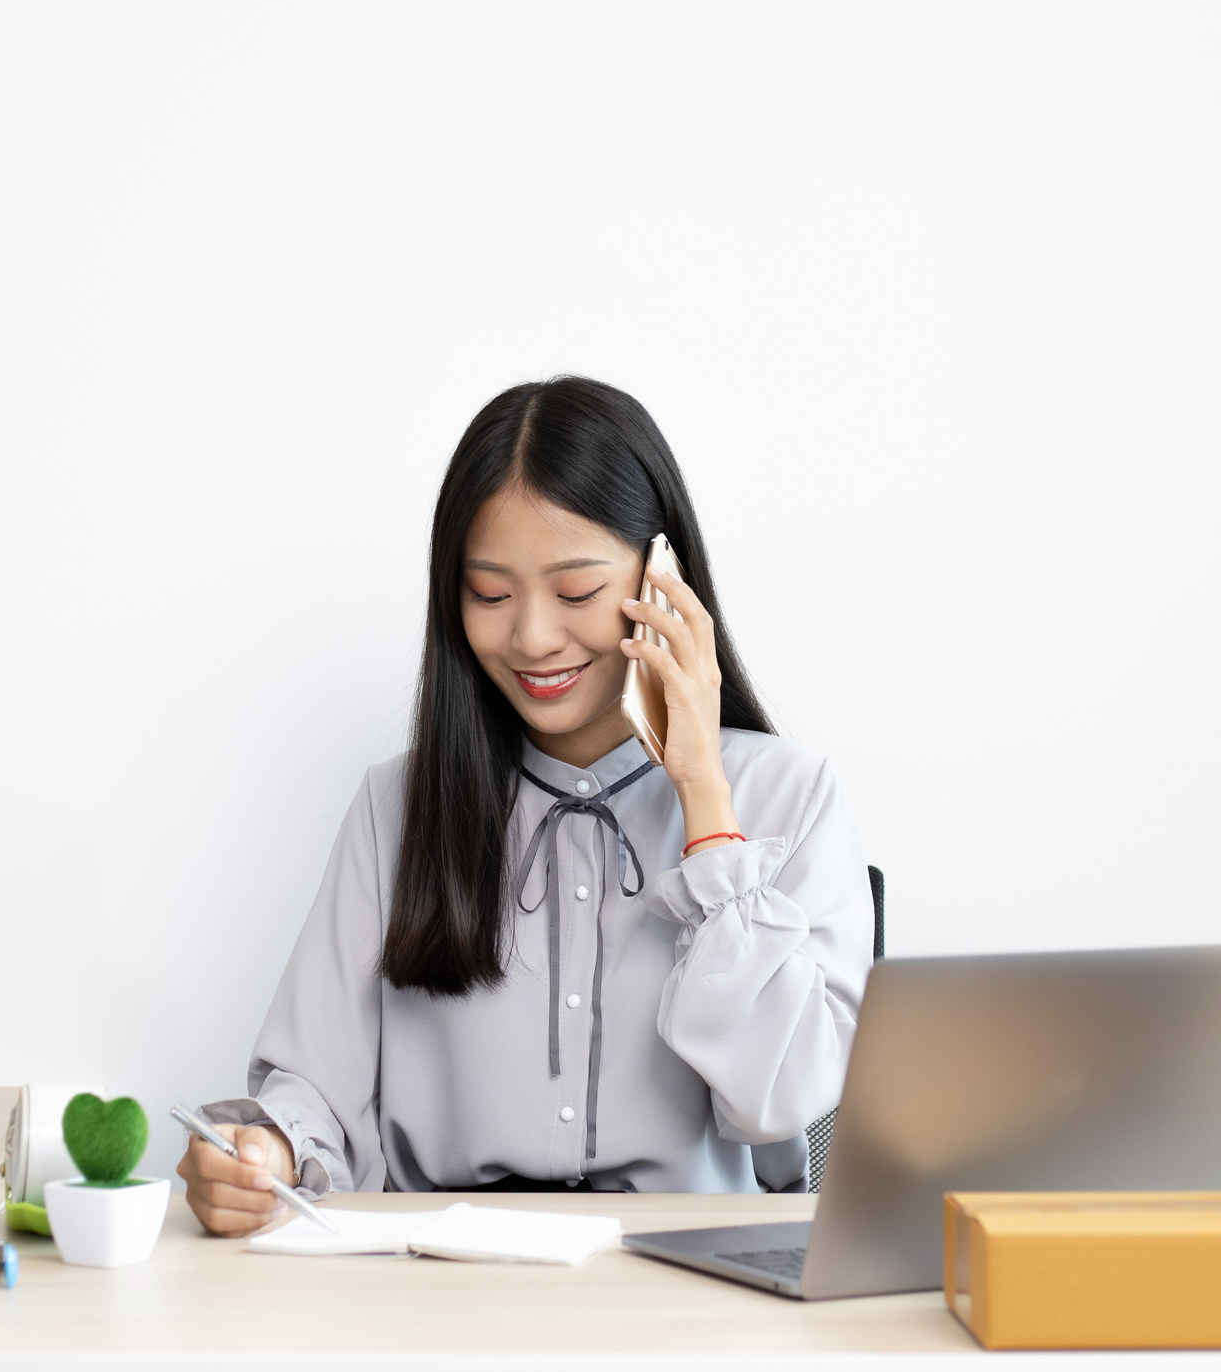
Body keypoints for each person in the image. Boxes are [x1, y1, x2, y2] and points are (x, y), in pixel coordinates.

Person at [181, 375, 872, 1233]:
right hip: (443, 1283)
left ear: (663, 581)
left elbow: (787, 1105)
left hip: (694, 1277)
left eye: (576, 593)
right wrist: (269, 1153)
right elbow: (316, 1086)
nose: (533, 637)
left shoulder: (790, 797)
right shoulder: (396, 807)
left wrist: (705, 803)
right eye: (490, 594)